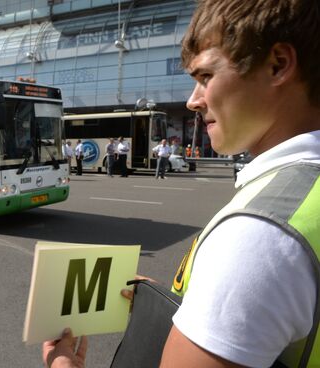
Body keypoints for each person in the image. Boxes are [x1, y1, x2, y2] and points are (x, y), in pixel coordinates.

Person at [42, 0, 320, 366]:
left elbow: (257, 272)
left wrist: (62, 364)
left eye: (206, 76)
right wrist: (182, 302)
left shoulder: (258, 236)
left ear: (278, 65)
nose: (193, 101)